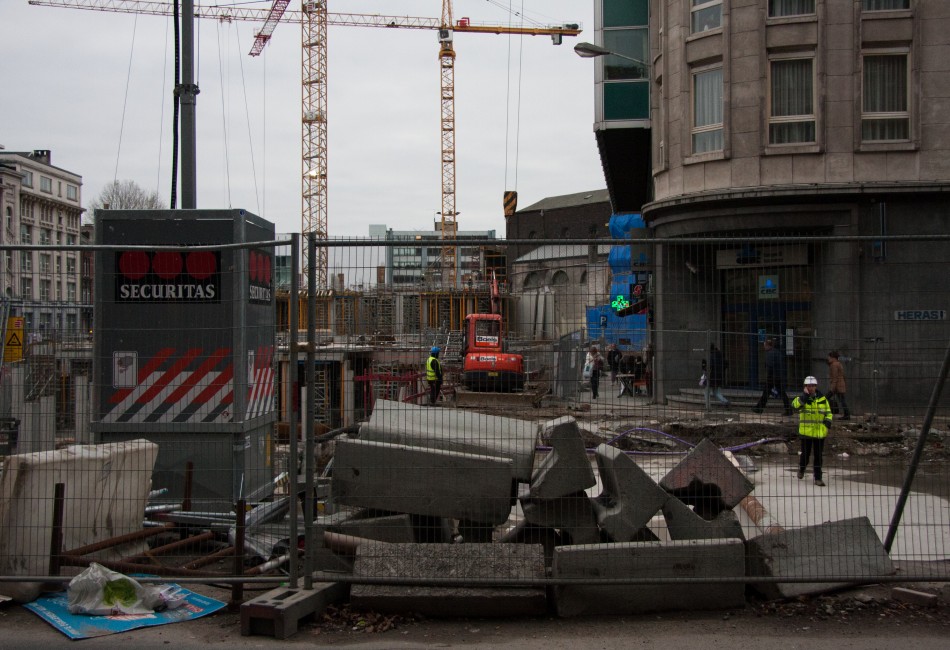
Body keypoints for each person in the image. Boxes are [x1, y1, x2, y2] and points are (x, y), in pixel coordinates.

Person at [792, 375, 833, 486]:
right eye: (808, 386)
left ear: (816, 386)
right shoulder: (802, 399)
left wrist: (827, 423)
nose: (810, 388)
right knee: (805, 455)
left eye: (812, 386)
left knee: (818, 456)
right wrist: (804, 396)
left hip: (819, 433)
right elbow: (794, 405)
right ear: (805, 387)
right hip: (806, 433)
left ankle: (818, 478)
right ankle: (801, 469)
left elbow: (828, 412)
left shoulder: (822, 399)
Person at [752, 338, 792, 415]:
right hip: (778, 376)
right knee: (779, 393)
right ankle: (788, 410)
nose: (764, 347)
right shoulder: (777, 352)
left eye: (764, 345)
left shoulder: (770, 353)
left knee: (767, 392)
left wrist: (769, 376)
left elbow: (770, 366)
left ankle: (759, 408)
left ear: (767, 345)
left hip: (773, 377)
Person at [826, 351, 851, 420]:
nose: (828, 358)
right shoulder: (839, 364)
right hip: (840, 385)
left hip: (837, 386)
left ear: (833, 358)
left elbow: (835, 377)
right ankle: (847, 415)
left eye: (829, 357)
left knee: (825, 399)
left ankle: (846, 415)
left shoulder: (834, 365)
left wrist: (832, 388)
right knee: (842, 400)